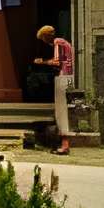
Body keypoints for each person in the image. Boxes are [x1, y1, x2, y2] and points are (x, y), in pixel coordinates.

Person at [36, 24, 76, 153]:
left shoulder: (58, 42)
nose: (44, 42)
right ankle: (64, 144)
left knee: (61, 111)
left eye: (43, 39)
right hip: (69, 77)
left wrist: (42, 62)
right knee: (64, 111)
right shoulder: (65, 43)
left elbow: (57, 62)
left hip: (63, 77)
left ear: (47, 36)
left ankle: (64, 145)